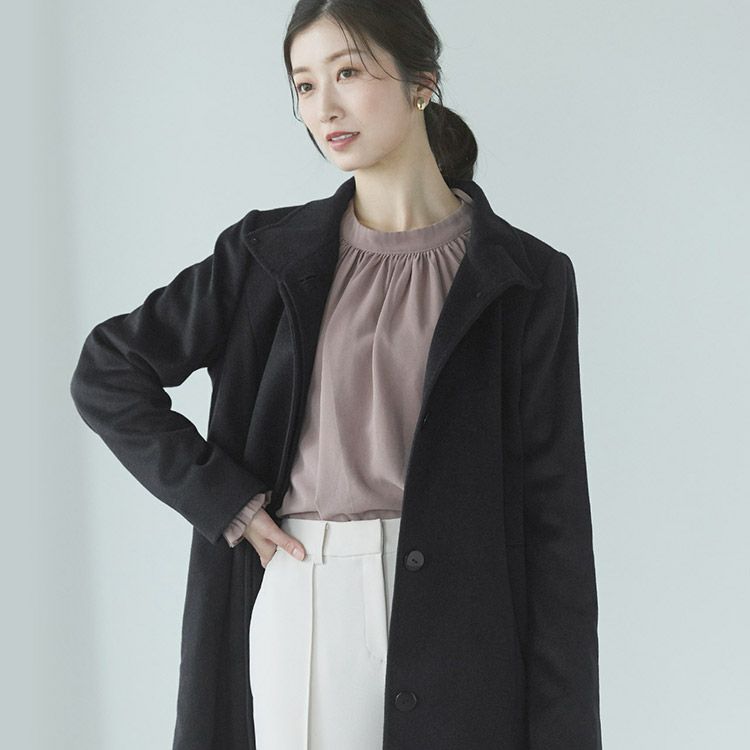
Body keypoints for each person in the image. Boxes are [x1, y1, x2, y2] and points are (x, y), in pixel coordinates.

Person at [70, 1, 602, 748]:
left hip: (468, 625)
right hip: (308, 597)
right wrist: (225, 500)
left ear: (423, 81)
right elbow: (108, 368)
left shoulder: (526, 278)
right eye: (305, 84)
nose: (324, 107)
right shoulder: (264, 257)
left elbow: (555, 526)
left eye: (348, 72)